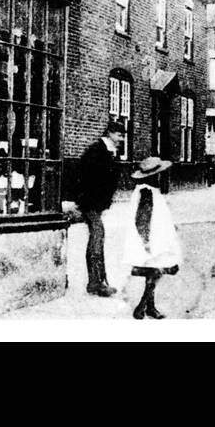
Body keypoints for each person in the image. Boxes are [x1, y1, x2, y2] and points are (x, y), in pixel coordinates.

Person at [123, 156, 181, 319]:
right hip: (153, 241)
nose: (162, 175)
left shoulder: (148, 190)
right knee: (156, 272)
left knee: (153, 272)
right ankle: (142, 306)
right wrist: (146, 242)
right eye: (159, 173)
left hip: (157, 238)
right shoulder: (147, 192)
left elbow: (157, 215)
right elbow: (143, 219)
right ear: (154, 175)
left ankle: (150, 307)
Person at [75, 121, 124, 296]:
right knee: (97, 236)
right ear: (110, 133)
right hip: (90, 203)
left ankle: (97, 281)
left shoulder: (107, 151)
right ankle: (96, 282)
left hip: (95, 203)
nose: (121, 139)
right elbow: (86, 177)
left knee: (98, 237)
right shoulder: (97, 151)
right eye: (119, 135)